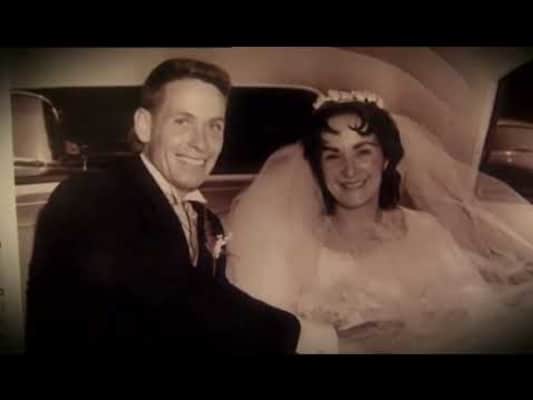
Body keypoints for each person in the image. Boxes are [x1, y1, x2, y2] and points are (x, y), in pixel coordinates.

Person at [25, 58, 303, 354]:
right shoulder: (91, 197)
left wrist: (291, 328)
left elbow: (213, 298)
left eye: (214, 126)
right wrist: (299, 335)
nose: (201, 143)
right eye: (183, 122)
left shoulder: (204, 218)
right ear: (144, 126)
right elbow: (170, 307)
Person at [227, 90, 533, 353]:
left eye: (362, 152)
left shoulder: (426, 232)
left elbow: (479, 318)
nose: (349, 170)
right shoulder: (290, 242)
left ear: (386, 160)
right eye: (332, 155)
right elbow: (271, 336)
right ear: (318, 166)